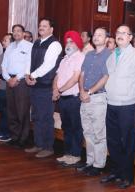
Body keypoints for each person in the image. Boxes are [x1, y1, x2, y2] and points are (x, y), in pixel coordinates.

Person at [101, 24, 135, 189]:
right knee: (113, 140)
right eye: (118, 32)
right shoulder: (112, 54)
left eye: (124, 33)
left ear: (130, 37)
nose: (120, 35)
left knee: (127, 142)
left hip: (127, 104)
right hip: (111, 103)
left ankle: (127, 175)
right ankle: (115, 171)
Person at [25, 18, 62, 158]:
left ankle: (48, 147)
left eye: (44, 26)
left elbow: (49, 65)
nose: (41, 28)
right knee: (36, 116)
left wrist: (33, 76)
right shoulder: (36, 42)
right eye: (40, 26)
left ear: (51, 29)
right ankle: (38, 143)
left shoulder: (55, 44)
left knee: (46, 117)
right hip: (34, 84)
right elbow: (29, 60)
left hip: (46, 85)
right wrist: (27, 74)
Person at [76, 27, 111, 176]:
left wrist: (89, 91)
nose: (96, 37)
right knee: (87, 132)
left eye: (100, 35)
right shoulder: (89, 54)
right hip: (84, 97)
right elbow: (82, 74)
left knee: (98, 133)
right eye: (95, 35)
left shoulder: (109, 55)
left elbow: (105, 77)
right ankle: (90, 162)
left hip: (98, 98)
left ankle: (99, 164)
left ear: (107, 39)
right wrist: (82, 90)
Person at [53, 31, 84, 166]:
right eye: (67, 41)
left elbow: (75, 78)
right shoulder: (64, 59)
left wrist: (59, 90)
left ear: (78, 43)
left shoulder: (80, 57)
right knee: (66, 127)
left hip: (74, 98)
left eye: (72, 41)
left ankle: (76, 155)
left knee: (76, 127)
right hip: (63, 98)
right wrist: (55, 89)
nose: (68, 44)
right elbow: (57, 76)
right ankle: (67, 153)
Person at [1, 25, 33, 147]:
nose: (16, 33)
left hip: (21, 81)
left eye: (19, 31)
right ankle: (14, 136)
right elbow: (4, 65)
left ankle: (23, 139)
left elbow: (28, 65)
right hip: (10, 81)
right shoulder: (9, 47)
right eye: (14, 31)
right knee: (12, 110)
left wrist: (16, 78)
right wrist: (8, 79)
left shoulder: (29, 46)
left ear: (23, 33)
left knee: (22, 110)